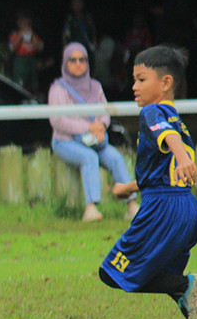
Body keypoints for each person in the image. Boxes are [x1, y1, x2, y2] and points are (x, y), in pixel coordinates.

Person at [101, 46, 197, 319]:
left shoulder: (153, 112)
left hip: (164, 209)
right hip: (187, 208)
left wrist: (181, 157)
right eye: (133, 80)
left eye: (141, 79)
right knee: (166, 278)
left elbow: (170, 140)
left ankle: (185, 286)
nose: (134, 87)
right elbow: (164, 164)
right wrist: (129, 187)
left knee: (110, 272)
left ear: (165, 83)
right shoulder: (178, 119)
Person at [48, 42, 138, 222]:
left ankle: (132, 206)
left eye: (82, 60)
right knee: (89, 157)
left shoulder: (95, 86)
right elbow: (58, 121)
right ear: (65, 63)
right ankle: (91, 209)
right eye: (73, 60)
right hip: (65, 141)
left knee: (115, 157)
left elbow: (105, 114)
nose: (78, 64)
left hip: (95, 139)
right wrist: (88, 127)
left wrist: (100, 126)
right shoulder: (58, 88)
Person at [7, 10, 44, 93]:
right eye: (21, 21)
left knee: (33, 85)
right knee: (20, 85)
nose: (23, 23)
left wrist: (32, 36)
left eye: (25, 21)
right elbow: (12, 48)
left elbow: (40, 47)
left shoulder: (34, 34)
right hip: (20, 61)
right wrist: (20, 35)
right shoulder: (14, 34)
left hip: (31, 60)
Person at [62, 0, 98, 65]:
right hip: (75, 49)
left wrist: (94, 41)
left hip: (88, 48)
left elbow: (93, 31)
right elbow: (65, 36)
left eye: (79, 2)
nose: (77, 5)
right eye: (75, 3)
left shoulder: (88, 17)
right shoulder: (70, 19)